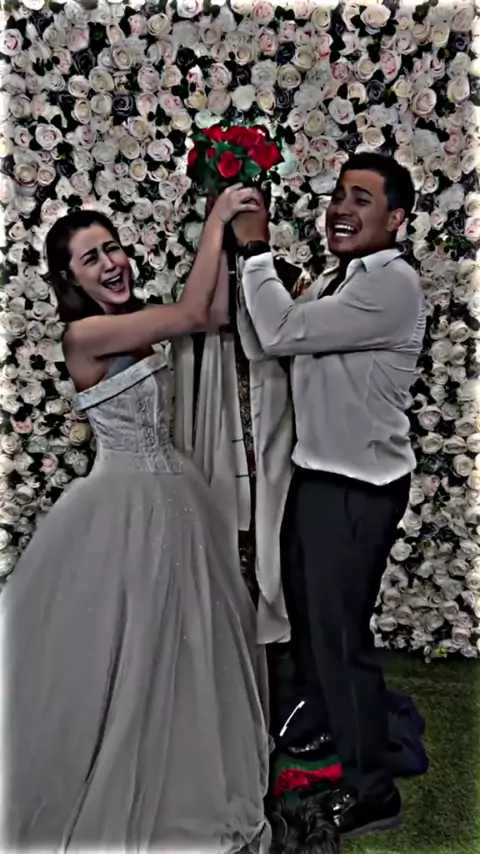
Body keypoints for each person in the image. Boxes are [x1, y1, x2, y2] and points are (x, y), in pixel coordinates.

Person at [3, 187, 272, 852]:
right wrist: (216, 216)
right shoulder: (85, 335)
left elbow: (211, 315)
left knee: (178, 641)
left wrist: (223, 239)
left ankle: (172, 761)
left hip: (173, 497)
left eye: (113, 248)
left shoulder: (132, 319)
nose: (112, 263)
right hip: (120, 505)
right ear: (70, 279)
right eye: (92, 258)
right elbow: (191, 311)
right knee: (122, 649)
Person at [231, 153, 426, 838]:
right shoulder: (340, 280)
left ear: (396, 219)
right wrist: (261, 276)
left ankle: (374, 792)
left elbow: (280, 330)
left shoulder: (392, 284)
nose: (341, 208)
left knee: (341, 641)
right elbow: (270, 341)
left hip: (358, 486)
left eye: (361, 199)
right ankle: (322, 723)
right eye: (339, 195)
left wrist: (254, 249)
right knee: (311, 625)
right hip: (319, 475)